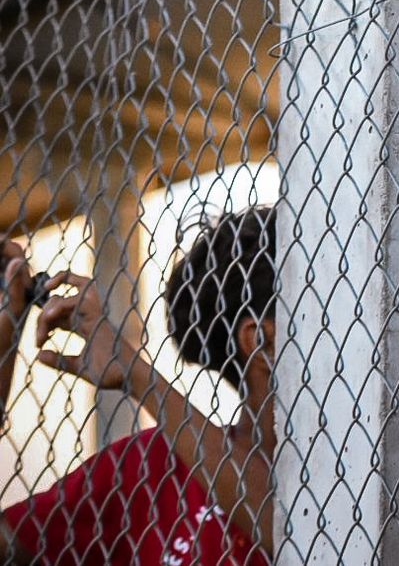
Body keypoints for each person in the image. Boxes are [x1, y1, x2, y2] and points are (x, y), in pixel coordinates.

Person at [0, 208, 274, 566]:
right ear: (260, 340)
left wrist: (134, 371)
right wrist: (7, 324)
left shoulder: (354, 467)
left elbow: (285, 524)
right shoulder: (153, 466)